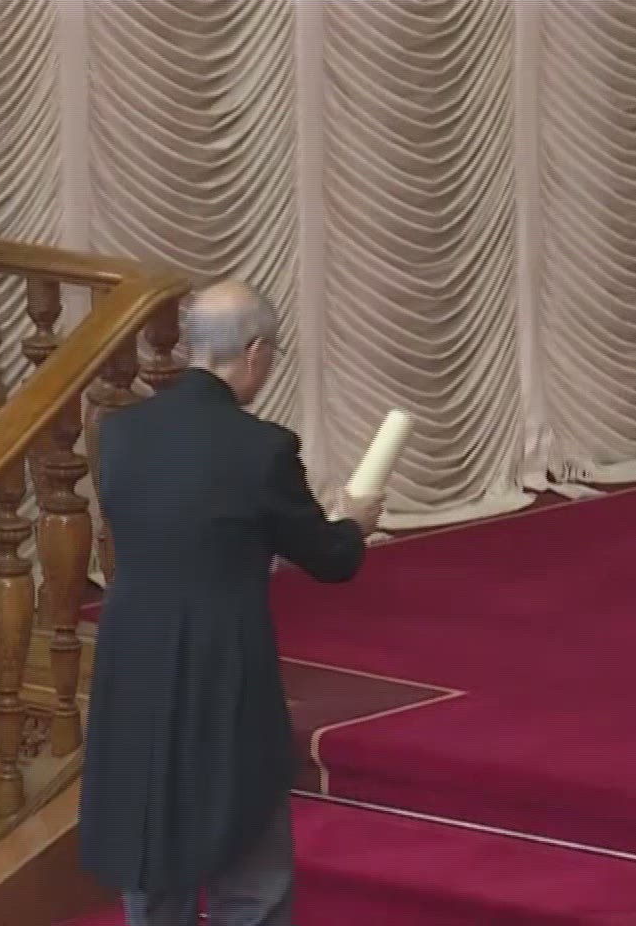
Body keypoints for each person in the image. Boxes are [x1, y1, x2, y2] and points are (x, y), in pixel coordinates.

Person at [79, 279, 382, 926]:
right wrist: (354, 522)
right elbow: (330, 559)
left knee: (151, 852)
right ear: (255, 352)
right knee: (250, 873)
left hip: (133, 661)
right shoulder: (262, 448)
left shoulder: (121, 433)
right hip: (222, 665)